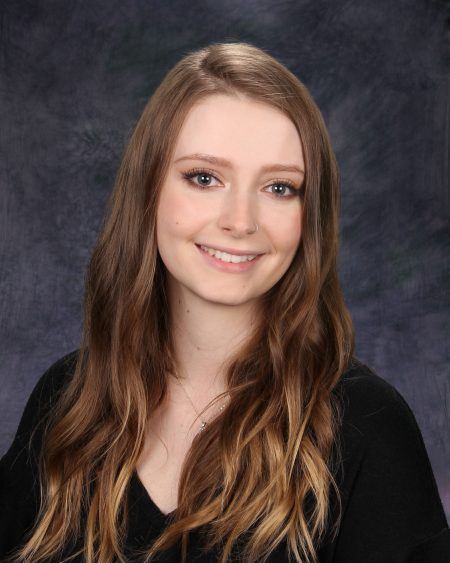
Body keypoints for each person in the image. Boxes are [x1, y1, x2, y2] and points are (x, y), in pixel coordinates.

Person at [0, 41, 448, 563]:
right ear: (147, 191)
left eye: (279, 187)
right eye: (204, 178)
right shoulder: (69, 400)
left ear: (310, 216)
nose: (240, 220)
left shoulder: (367, 426)